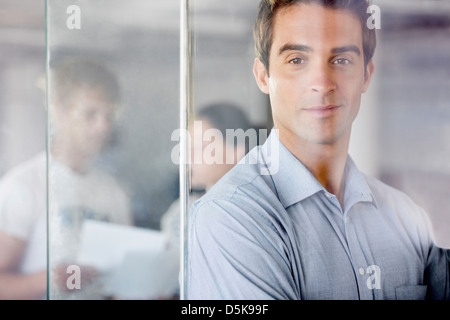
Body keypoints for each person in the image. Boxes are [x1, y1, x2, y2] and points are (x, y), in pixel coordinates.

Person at [187, 0, 450, 300]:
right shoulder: (231, 218)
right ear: (263, 76)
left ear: (366, 75)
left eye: (341, 60)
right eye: (297, 60)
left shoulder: (406, 217)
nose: (322, 84)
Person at [0, 57, 132, 300]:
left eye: (108, 116)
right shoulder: (23, 186)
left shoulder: (113, 192)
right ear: (59, 112)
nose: (102, 127)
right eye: (90, 114)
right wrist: (50, 280)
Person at [161, 102, 254, 283]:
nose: (187, 157)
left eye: (199, 148)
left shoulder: (253, 213)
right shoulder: (180, 212)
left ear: (237, 150)